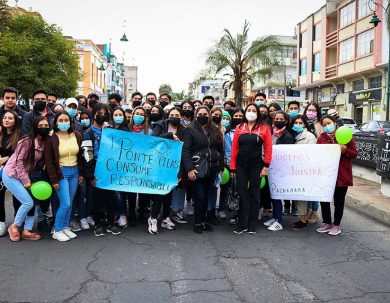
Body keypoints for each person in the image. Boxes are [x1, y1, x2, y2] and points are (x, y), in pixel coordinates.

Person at [3, 116, 50, 241]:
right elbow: (18, 162)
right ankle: (14, 226)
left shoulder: (44, 142)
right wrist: (26, 181)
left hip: (25, 174)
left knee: (32, 202)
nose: (44, 128)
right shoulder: (27, 141)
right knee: (27, 202)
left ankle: (27, 230)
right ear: (35, 127)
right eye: (41, 126)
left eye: (46, 126)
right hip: (11, 175)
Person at [230, 104, 272, 234]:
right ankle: (242, 224)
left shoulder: (264, 128)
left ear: (258, 113)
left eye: (254, 110)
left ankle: (252, 224)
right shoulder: (239, 128)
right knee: (242, 194)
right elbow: (234, 149)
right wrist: (232, 168)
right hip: (241, 165)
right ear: (245, 112)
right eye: (249, 110)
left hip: (256, 166)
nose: (251, 112)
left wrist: (266, 166)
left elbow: (269, 148)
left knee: (255, 195)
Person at [182, 106, 224, 234]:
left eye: (205, 113)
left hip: (213, 168)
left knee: (206, 196)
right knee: (199, 196)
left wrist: (221, 168)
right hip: (197, 168)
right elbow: (186, 151)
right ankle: (197, 222)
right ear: (195, 115)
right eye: (200, 113)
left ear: (209, 115)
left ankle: (204, 221)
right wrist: (189, 169)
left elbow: (220, 149)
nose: (202, 115)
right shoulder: (190, 130)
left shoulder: (215, 130)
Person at [45, 111, 84, 242]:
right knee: (65, 203)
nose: (63, 123)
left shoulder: (77, 135)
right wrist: (54, 179)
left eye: (66, 120)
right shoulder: (51, 138)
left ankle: (66, 226)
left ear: (70, 121)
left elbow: (81, 156)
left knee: (70, 202)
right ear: (55, 122)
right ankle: (57, 229)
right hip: (61, 173)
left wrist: (81, 173)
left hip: (75, 171)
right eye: (60, 120)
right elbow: (49, 161)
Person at [83, 103, 121, 237]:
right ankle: (98, 224)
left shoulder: (110, 130)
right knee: (97, 198)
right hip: (96, 169)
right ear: (93, 114)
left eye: (105, 114)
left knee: (110, 197)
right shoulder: (88, 133)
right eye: (99, 113)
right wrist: (91, 176)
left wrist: (108, 132)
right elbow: (87, 156)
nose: (102, 116)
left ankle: (111, 222)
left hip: (110, 169)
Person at [317, 115, 357, 236]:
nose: (327, 126)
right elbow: (317, 155)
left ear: (334, 123)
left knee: (339, 201)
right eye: (324, 125)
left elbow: (354, 154)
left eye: (328, 123)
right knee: (324, 200)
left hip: (341, 175)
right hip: (326, 175)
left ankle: (336, 225)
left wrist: (345, 150)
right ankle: (327, 223)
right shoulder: (321, 138)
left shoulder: (345, 136)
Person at [148, 107, 185, 234]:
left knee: (168, 193)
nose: (174, 117)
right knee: (159, 192)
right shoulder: (160, 125)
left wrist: (181, 172)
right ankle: (153, 218)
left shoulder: (184, 130)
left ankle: (165, 218)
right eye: (172, 114)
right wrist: (170, 135)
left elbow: (184, 151)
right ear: (168, 115)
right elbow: (154, 139)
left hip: (173, 166)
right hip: (158, 165)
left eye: (177, 115)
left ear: (181, 117)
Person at [264, 110, 295, 231]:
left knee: (277, 195)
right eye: (277, 118)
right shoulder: (271, 133)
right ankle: (275, 217)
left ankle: (279, 221)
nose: (278, 121)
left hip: (280, 170)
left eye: (281, 119)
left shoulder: (288, 136)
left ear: (286, 121)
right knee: (272, 195)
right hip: (269, 168)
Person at [290, 115, 317, 231]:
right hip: (294, 170)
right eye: (296, 123)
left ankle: (303, 219)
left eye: (301, 123)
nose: (298, 125)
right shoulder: (294, 135)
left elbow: (311, 154)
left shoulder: (310, 137)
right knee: (298, 195)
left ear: (305, 124)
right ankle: (302, 217)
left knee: (303, 196)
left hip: (304, 171)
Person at [127, 106, 153, 224]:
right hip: (129, 166)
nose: (139, 116)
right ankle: (132, 214)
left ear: (145, 117)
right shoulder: (127, 129)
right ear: (133, 115)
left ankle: (142, 213)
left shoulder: (149, 131)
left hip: (144, 166)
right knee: (131, 192)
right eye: (137, 113)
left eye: (141, 114)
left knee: (143, 192)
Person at [220, 108, 244, 223]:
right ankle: (224, 209)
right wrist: (232, 166)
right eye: (236, 116)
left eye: (241, 116)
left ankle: (239, 214)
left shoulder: (247, 130)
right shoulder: (228, 132)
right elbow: (229, 151)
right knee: (229, 189)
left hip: (245, 165)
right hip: (232, 166)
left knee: (241, 191)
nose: (238, 118)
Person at [0, 111, 21, 237]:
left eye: (10, 118)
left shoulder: (18, 136)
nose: (7, 120)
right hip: (1, 170)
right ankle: (2, 222)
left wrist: (6, 158)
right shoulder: (0, 134)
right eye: (5, 118)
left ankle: (17, 223)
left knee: (17, 198)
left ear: (15, 121)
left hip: (14, 171)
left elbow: (20, 154)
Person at [110, 107, 129, 228]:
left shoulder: (126, 131)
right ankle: (115, 213)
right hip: (110, 165)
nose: (118, 116)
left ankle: (123, 214)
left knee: (119, 192)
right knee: (111, 192)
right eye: (115, 114)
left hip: (122, 166)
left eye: (120, 114)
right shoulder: (108, 130)